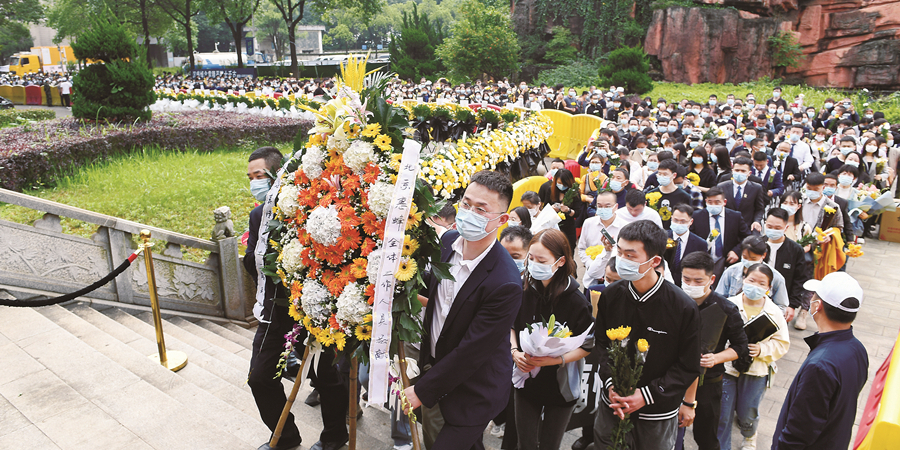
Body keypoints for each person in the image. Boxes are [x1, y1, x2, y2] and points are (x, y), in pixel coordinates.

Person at [404, 170, 523, 450]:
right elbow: (437, 296)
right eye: (466, 204)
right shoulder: (448, 243)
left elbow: (473, 351)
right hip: (436, 366)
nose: (469, 213)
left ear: (502, 219)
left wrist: (421, 389)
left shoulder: (505, 282)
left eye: (481, 209)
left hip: (474, 388)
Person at [593, 220, 701, 450]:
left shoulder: (682, 307)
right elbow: (601, 343)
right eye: (619, 252)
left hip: (656, 413)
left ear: (655, 261)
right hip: (613, 405)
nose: (621, 260)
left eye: (630, 256)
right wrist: (611, 384)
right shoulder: (611, 295)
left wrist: (646, 395)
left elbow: (688, 365)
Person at [244, 147, 306, 450]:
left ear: (277, 174)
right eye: (250, 178)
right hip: (273, 310)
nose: (254, 182)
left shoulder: (305, 209)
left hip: (306, 309)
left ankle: (335, 432)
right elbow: (251, 261)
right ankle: (286, 436)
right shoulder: (258, 215)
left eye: (259, 175)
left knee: (326, 375)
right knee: (260, 377)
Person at [512, 229, 594, 450]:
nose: (534, 264)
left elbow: (588, 344)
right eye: (531, 258)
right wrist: (514, 352)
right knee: (525, 443)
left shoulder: (576, 301)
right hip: (526, 379)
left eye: (541, 261)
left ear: (560, 261)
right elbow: (511, 324)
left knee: (550, 444)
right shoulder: (525, 288)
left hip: (561, 386)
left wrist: (556, 360)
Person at [772, 272, 868, 450]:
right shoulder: (857, 349)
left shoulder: (820, 365)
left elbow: (799, 431)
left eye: (813, 296)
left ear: (818, 305)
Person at [675, 252, 749, 450]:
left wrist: (716, 358)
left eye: (698, 280)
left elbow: (741, 346)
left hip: (708, 381)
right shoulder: (675, 300)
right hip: (675, 377)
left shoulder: (726, 308)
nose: (691, 284)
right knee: (673, 436)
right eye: (686, 279)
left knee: (707, 437)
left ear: (712, 279)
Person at [718, 264, 790, 450]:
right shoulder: (729, 304)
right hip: (727, 367)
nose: (755, 286)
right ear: (744, 280)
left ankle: (749, 436)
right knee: (723, 412)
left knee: (747, 412)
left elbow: (782, 343)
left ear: (769, 288)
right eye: (751, 280)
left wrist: (761, 350)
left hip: (756, 371)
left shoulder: (774, 312)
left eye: (761, 283)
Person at [714, 235, 790, 310]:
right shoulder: (731, 272)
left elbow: (782, 306)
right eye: (745, 257)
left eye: (753, 258)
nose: (748, 261)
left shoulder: (776, 277)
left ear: (763, 255)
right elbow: (719, 298)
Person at [762, 208, 809, 325]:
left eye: (777, 228)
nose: (773, 230)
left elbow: (800, 279)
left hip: (781, 302)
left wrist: (792, 305)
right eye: (769, 226)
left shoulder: (795, 250)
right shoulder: (758, 244)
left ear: (786, 228)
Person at [690, 187, 751, 267]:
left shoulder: (735, 216)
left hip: (728, 261)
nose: (713, 205)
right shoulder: (697, 216)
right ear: (706, 201)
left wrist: (737, 251)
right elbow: (691, 237)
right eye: (710, 202)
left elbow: (747, 237)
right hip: (702, 262)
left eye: (717, 202)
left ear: (724, 202)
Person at [579, 191, 627, 287]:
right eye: (600, 206)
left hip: (615, 279)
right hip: (591, 278)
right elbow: (582, 249)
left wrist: (608, 271)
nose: (603, 209)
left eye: (607, 206)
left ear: (616, 207)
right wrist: (592, 266)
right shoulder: (588, 223)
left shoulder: (624, 227)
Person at [539, 168, 584, 253]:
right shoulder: (550, 190)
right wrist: (551, 209)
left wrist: (568, 210)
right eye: (559, 183)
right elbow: (545, 208)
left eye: (564, 183)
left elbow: (577, 213)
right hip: (553, 227)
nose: (562, 185)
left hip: (568, 228)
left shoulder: (574, 192)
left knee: (569, 250)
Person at [718, 157, 766, 233]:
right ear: (732, 171)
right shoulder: (722, 186)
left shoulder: (756, 188)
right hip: (726, 227)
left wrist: (756, 221)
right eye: (737, 170)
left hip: (747, 227)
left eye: (743, 171)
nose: (739, 173)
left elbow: (759, 208)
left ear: (749, 173)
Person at [665, 204, 707, 287]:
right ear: (671, 218)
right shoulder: (662, 238)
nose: (679, 224)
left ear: (691, 221)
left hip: (687, 286)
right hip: (665, 284)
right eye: (675, 220)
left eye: (683, 221)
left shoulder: (700, 243)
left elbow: (702, 268)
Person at [645, 159, 691, 230]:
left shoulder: (684, 196)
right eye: (659, 174)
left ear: (674, 175)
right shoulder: (650, 194)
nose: (662, 176)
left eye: (665, 174)